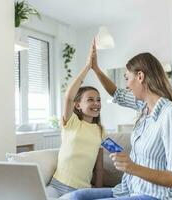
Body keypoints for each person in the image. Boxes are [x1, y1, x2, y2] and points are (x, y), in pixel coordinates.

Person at [70, 41, 172, 200]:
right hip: (131, 190)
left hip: (159, 196)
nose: (126, 86)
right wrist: (95, 68)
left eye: (127, 78)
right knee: (76, 197)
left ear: (140, 76)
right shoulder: (144, 106)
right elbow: (117, 94)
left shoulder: (171, 114)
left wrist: (132, 167)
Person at [46, 42, 106, 198]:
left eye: (98, 100)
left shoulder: (100, 130)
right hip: (57, 184)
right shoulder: (71, 122)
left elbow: (99, 167)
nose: (96, 103)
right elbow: (68, 96)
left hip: (82, 190)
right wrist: (88, 66)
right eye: (91, 100)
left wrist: (98, 193)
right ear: (78, 105)